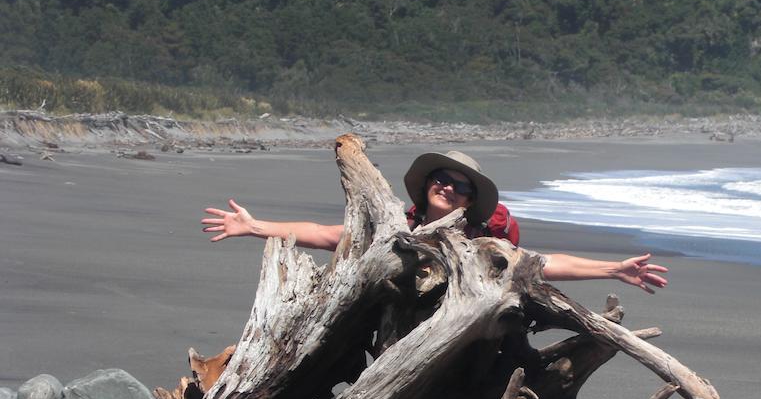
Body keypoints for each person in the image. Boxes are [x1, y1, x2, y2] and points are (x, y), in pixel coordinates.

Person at [203, 149, 668, 293]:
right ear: (427, 185)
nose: (448, 187)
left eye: (460, 185)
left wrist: (613, 269)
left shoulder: (480, 242)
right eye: (441, 179)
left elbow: (543, 264)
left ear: (471, 199)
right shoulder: (398, 230)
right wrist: (255, 226)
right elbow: (327, 236)